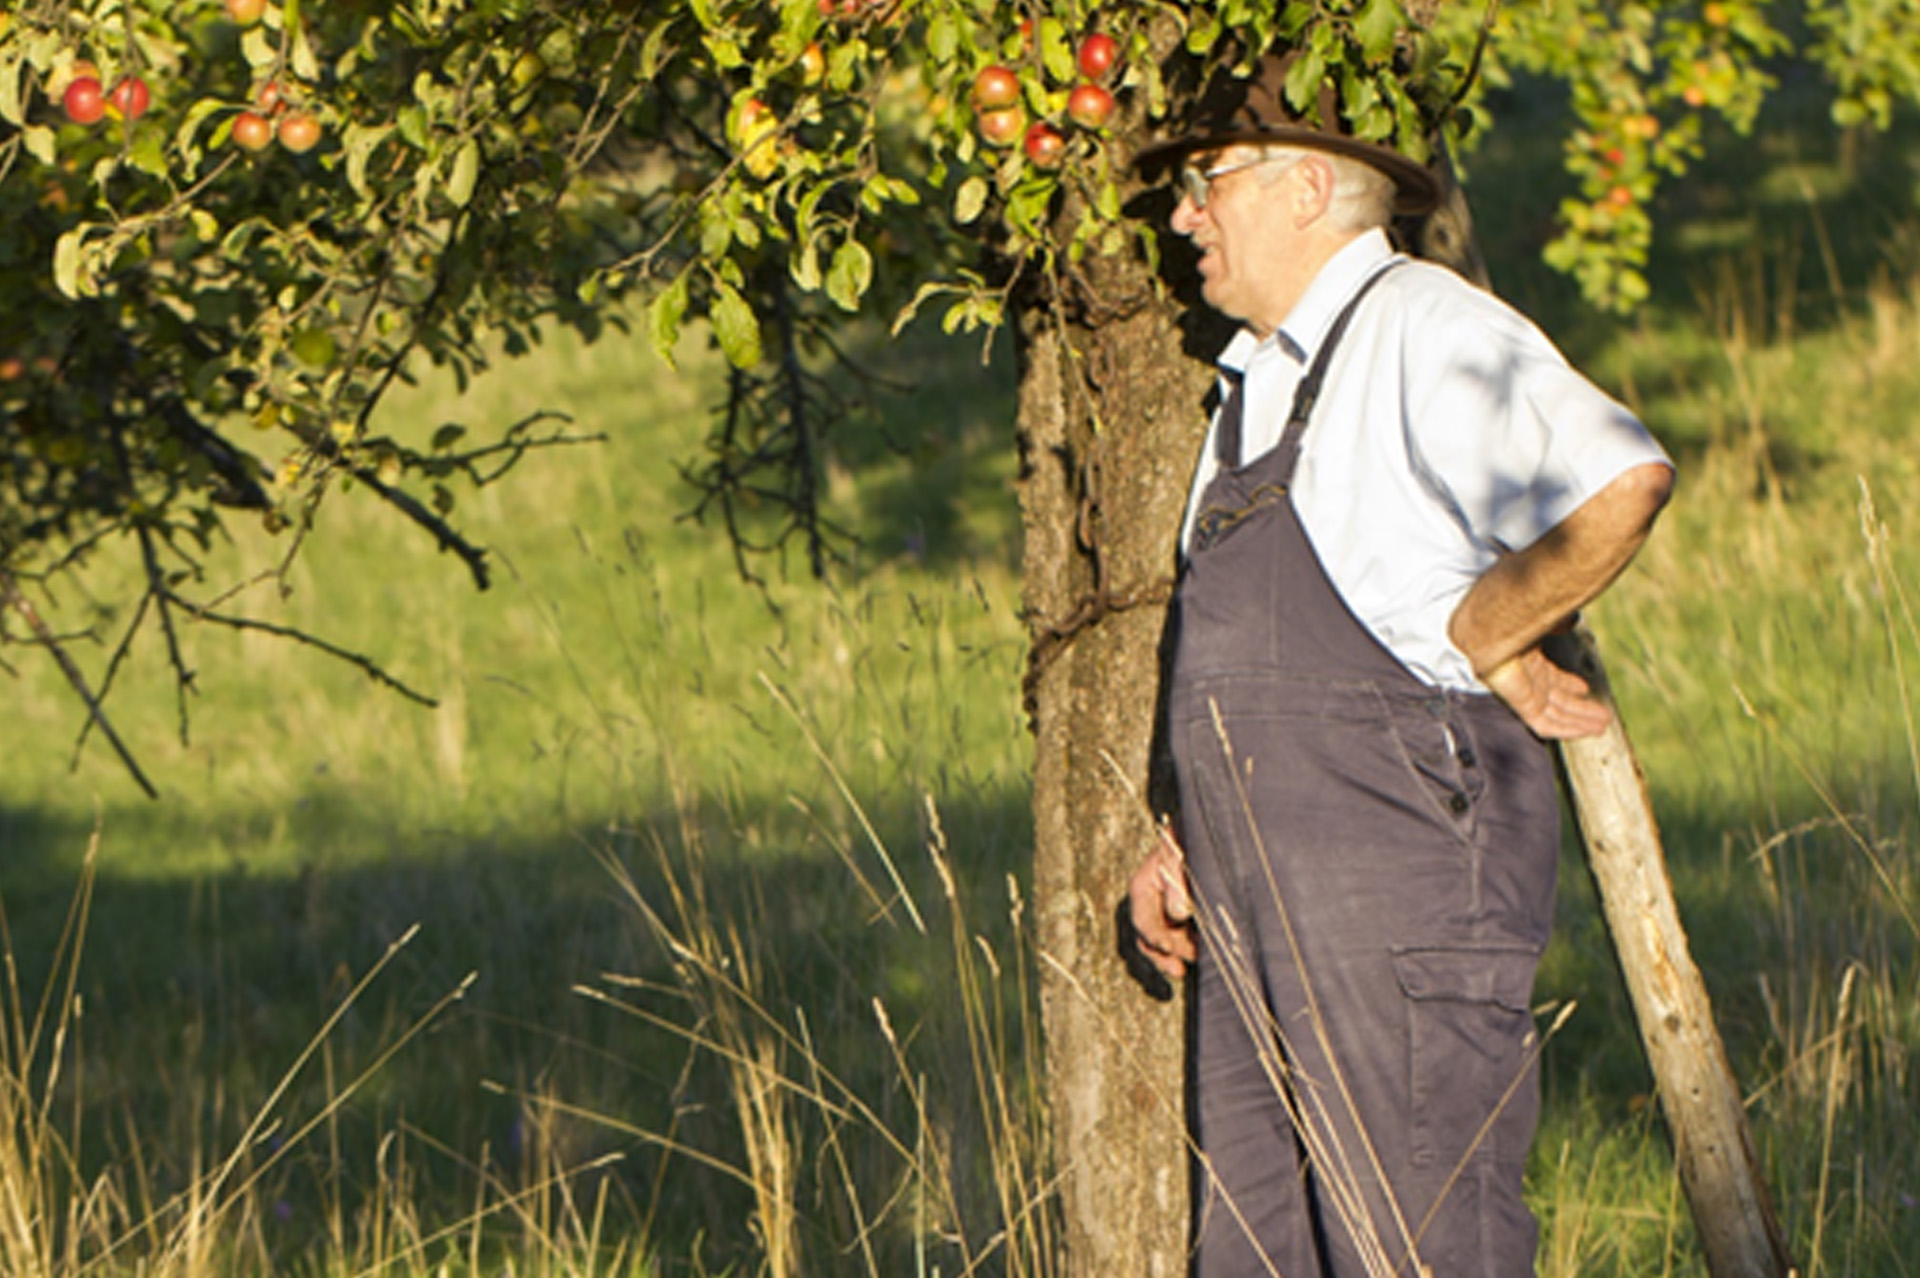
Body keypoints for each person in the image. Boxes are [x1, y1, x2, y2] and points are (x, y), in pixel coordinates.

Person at [1123, 52, 1674, 1277]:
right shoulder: (1251, 385)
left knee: (1421, 1250)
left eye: (1209, 181)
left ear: (1311, 188)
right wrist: (1183, 839)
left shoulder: (1425, 328)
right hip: (1253, 914)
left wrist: (1496, 629)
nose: (1182, 215)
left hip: (1401, 900)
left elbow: (1619, 475)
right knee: (1258, 1252)